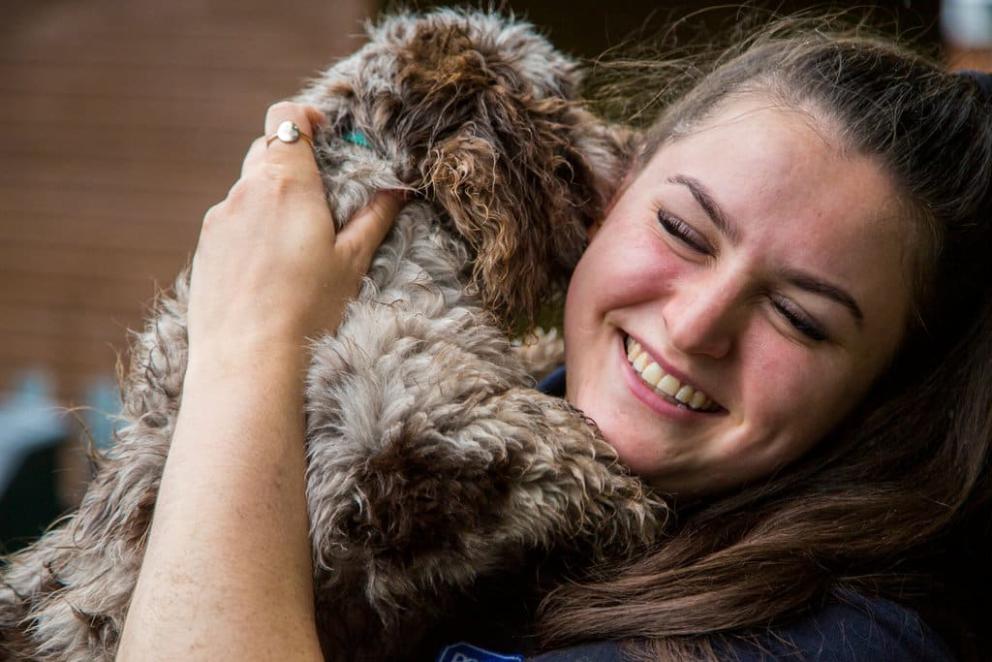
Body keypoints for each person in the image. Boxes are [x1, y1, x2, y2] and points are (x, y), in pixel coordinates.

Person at [115, 16, 991, 662]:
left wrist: (249, 337)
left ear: (884, 393)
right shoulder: (470, 441)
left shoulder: (838, 646)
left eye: (800, 318)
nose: (693, 326)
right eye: (684, 231)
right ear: (613, 188)